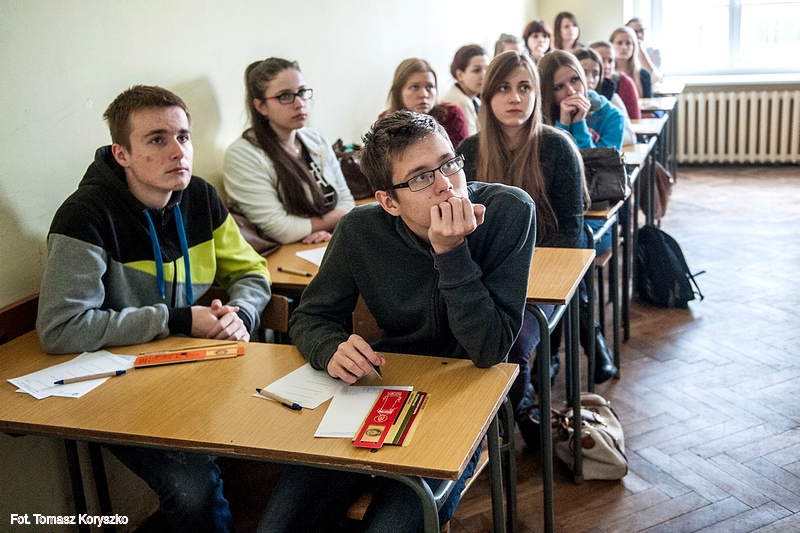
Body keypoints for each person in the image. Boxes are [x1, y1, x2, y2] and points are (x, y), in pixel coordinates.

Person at [257, 111, 536, 532]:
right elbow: (312, 315)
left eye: (449, 163)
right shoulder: (359, 230)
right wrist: (330, 348)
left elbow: (489, 349)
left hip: (466, 396)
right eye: (421, 177)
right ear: (388, 201)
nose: (445, 184)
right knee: (279, 525)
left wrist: (451, 253)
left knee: (390, 525)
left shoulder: (508, 211)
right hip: (383, 386)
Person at [37, 85, 273, 533]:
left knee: (280, 439)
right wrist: (178, 319)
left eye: (183, 137)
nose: (178, 151)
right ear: (121, 153)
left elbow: (251, 271)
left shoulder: (200, 196)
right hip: (117, 386)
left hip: (190, 368)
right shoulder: (84, 216)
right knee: (192, 489)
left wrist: (240, 314)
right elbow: (60, 327)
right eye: (157, 140)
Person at [456, 50, 610, 447]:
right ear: (487, 96)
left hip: (540, 281)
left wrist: (516, 281)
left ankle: (512, 416)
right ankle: (505, 416)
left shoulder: (557, 147)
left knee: (512, 347)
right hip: (485, 277)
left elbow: (571, 236)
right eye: (504, 88)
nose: (515, 98)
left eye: (525, 87)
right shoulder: (469, 151)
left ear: (537, 94)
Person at [223, 58, 355, 245]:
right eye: (284, 96)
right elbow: (281, 229)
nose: (299, 103)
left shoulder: (317, 138)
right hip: (286, 251)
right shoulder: (242, 155)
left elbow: (346, 200)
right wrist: (335, 220)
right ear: (261, 106)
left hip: (327, 241)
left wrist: (326, 229)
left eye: (301, 92)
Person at [538, 50, 625, 152]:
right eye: (559, 87)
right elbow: (552, 161)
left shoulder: (612, 116)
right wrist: (563, 125)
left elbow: (601, 161)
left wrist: (579, 124)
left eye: (574, 79)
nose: (571, 91)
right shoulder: (538, 118)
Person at [383, 57, 469, 149]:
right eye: (414, 87)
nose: (424, 94)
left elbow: (461, 155)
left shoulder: (451, 114)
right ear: (398, 91)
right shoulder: (386, 121)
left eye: (430, 87)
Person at [574, 47, 637, 146]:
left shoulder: (610, 98)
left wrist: (605, 135)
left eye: (595, 74)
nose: (590, 80)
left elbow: (630, 136)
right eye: (584, 73)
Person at [442, 44, 489, 136]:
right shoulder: (461, 101)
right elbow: (471, 141)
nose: (484, 76)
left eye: (487, 69)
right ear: (460, 75)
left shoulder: (475, 100)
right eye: (477, 70)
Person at [588, 40, 642, 121]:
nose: (607, 66)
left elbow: (634, 120)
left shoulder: (624, 82)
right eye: (601, 60)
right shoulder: (580, 85)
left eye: (610, 61)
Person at [611, 26, 653, 98]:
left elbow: (648, 102)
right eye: (619, 43)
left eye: (628, 43)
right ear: (611, 45)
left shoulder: (644, 75)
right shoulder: (606, 73)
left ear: (634, 47)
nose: (624, 47)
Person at [626, 17, 663, 82]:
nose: (639, 35)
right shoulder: (623, 52)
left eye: (641, 31)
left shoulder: (654, 52)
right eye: (634, 32)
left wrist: (641, 51)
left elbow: (656, 79)